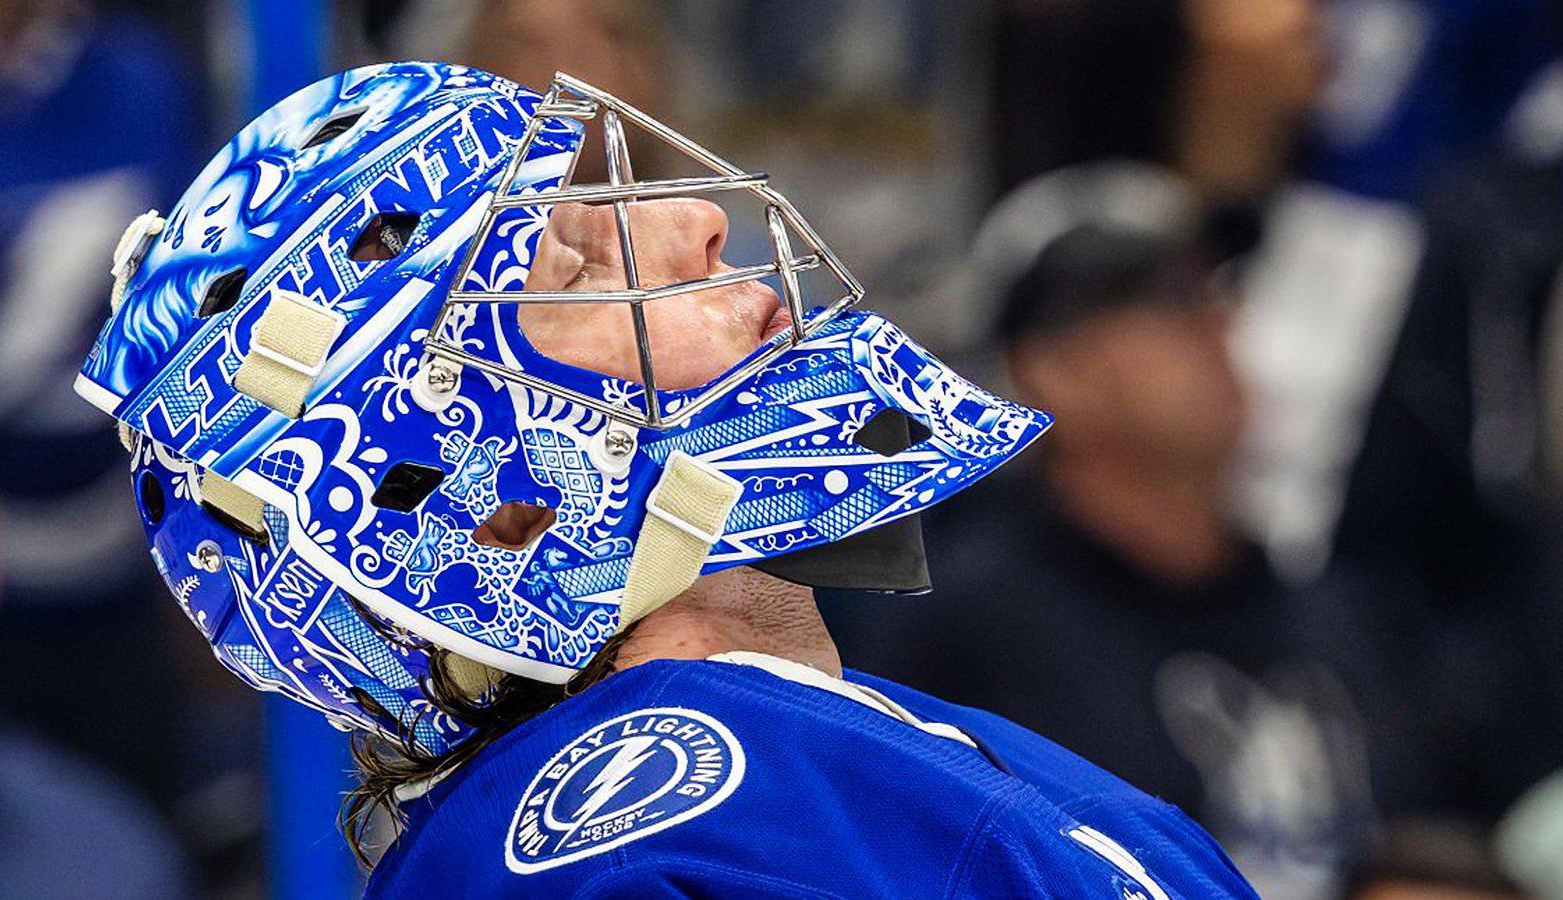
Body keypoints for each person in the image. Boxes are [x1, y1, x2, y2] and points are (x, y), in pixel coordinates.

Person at [75, 62, 1255, 897]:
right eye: (575, 264)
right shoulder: (624, 849)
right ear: (470, 499)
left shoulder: (850, 744)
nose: (694, 219)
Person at [832, 163, 1375, 898]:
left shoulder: (1328, 604)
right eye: (1171, 300)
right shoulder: (967, 634)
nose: (1217, 324)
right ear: (1051, 369)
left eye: (1218, 290)